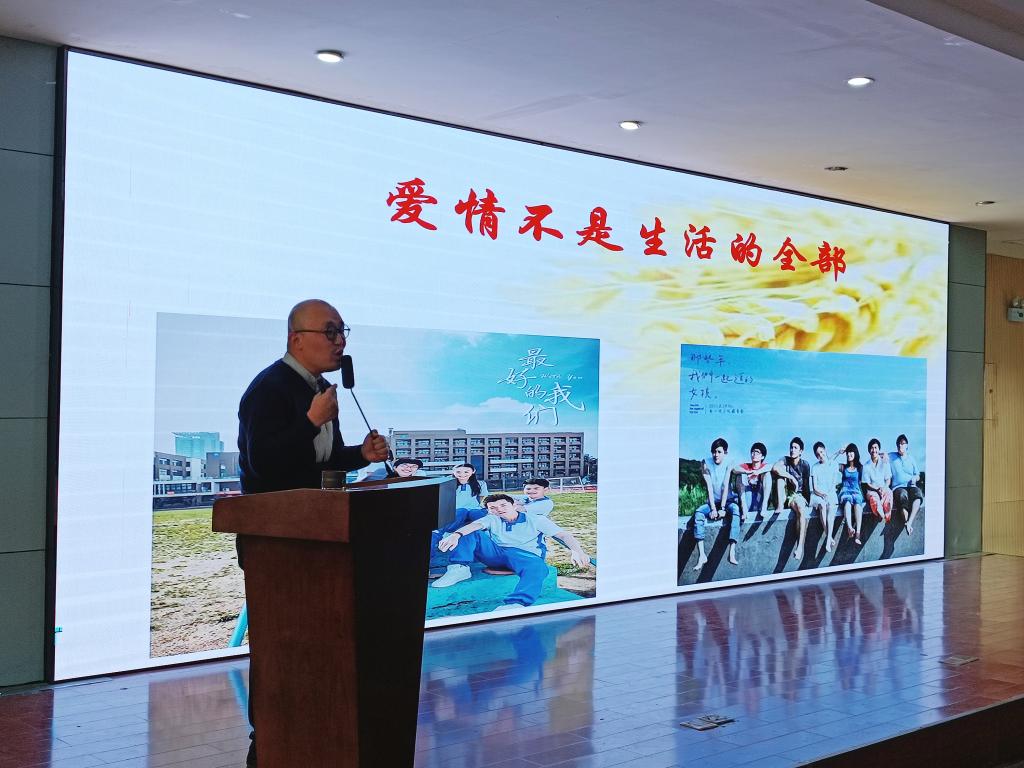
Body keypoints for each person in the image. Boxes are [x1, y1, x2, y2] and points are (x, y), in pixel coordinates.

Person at [236, 299, 389, 767]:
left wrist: (360, 455)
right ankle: (271, 736)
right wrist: (310, 421)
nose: (340, 341)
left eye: (343, 331)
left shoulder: (322, 390)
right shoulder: (268, 389)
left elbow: (320, 463)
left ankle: (314, 726)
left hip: (318, 536)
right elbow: (264, 464)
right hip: (276, 540)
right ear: (296, 339)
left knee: (317, 642)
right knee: (279, 644)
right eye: (330, 331)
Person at [432, 494, 592, 610]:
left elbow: (563, 535)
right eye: (493, 508)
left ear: (514, 505)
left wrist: (576, 551)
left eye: (503, 505)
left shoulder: (536, 519)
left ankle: (516, 603)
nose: (499, 510)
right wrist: (456, 534)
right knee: (469, 531)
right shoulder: (492, 518)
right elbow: (475, 525)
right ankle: (459, 568)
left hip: (525, 556)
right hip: (497, 554)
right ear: (489, 511)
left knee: (537, 567)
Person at [689, 438, 741, 570]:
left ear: (725, 453)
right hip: (713, 502)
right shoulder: (705, 463)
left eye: (719, 452)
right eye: (713, 452)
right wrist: (713, 509)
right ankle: (702, 555)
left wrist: (722, 508)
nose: (715, 455)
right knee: (699, 512)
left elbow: (725, 485)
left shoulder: (730, 462)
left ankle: (732, 551)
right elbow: (709, 487)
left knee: (735, 509)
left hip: (727, 501)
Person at [772, 437, 812, 561]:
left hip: (797, 496)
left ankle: (800, 547)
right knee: (780, 477)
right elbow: (775, 468)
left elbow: (806, 486)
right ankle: (780, 505)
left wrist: (808, 502)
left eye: (795, 448)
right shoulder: (785, 460)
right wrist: (791, 477)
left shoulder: (805, 465)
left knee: (801, 508)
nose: (792, 450)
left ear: (801, 451)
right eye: (791, 447)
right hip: (784, 495)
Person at [809, 442, 842, 553]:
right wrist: (822, 495)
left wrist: (839, 452)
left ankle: (828, 541)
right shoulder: (815, 467)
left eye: (822, 452)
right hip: (817, 495)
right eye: (818, 454)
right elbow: (815, 488)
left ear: (825, 450)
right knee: (822, 505)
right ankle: (829, 536)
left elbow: (833, 484)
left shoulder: (833, 464)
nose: (821, 455)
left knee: (831, 509)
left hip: (830, 494)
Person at [889, 434, 924, 535]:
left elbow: (917, 475)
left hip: (911, 486)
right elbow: (879, 455)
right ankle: (905, 521)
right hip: (898, 487)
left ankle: (909, 522)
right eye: (899, 444)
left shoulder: (911, 458)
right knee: (902, 496)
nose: (900, 445)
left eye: (903, 443)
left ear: (907, 445)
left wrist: (915, 478)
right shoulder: (891, 456)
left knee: (918, 494)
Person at [837, 443, 866, 546]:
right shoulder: (843, 467)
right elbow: (829, 464)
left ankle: (858, 533)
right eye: (848, 452)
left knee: (858, 502)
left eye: (851, 452)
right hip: (845, 491)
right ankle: (849, 528)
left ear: (855, 453)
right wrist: (838, 452)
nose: (849, 454)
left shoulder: (860, 468)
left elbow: (864, 482)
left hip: (856, 492)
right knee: (847, 501)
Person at [734, 442, 771, 522]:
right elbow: (735, 469)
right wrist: (747, 472)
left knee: (767, 474)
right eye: (753, 452)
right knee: (740, 475)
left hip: (759, 498)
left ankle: (764, 506)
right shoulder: (747, 466)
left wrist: (757, 472)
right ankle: (744, 509)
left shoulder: (764, 467)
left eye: (757, 452)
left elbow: (771, 466)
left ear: (762, 456)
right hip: (747, 499)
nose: (754, 454)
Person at [863, 437, 893, 527]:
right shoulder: (866, 466)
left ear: (879, 449)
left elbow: (888, 479)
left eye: (876, 448)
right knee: (874, 498)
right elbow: (867, 484)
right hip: (872, 490)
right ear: (869, 451)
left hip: (883, 487)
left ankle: (887, 513)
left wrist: (884, 488)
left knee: (889, 493)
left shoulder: (885, 462)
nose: (874, 450)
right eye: (872, 448)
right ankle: (880, 514)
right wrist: (877, 489)